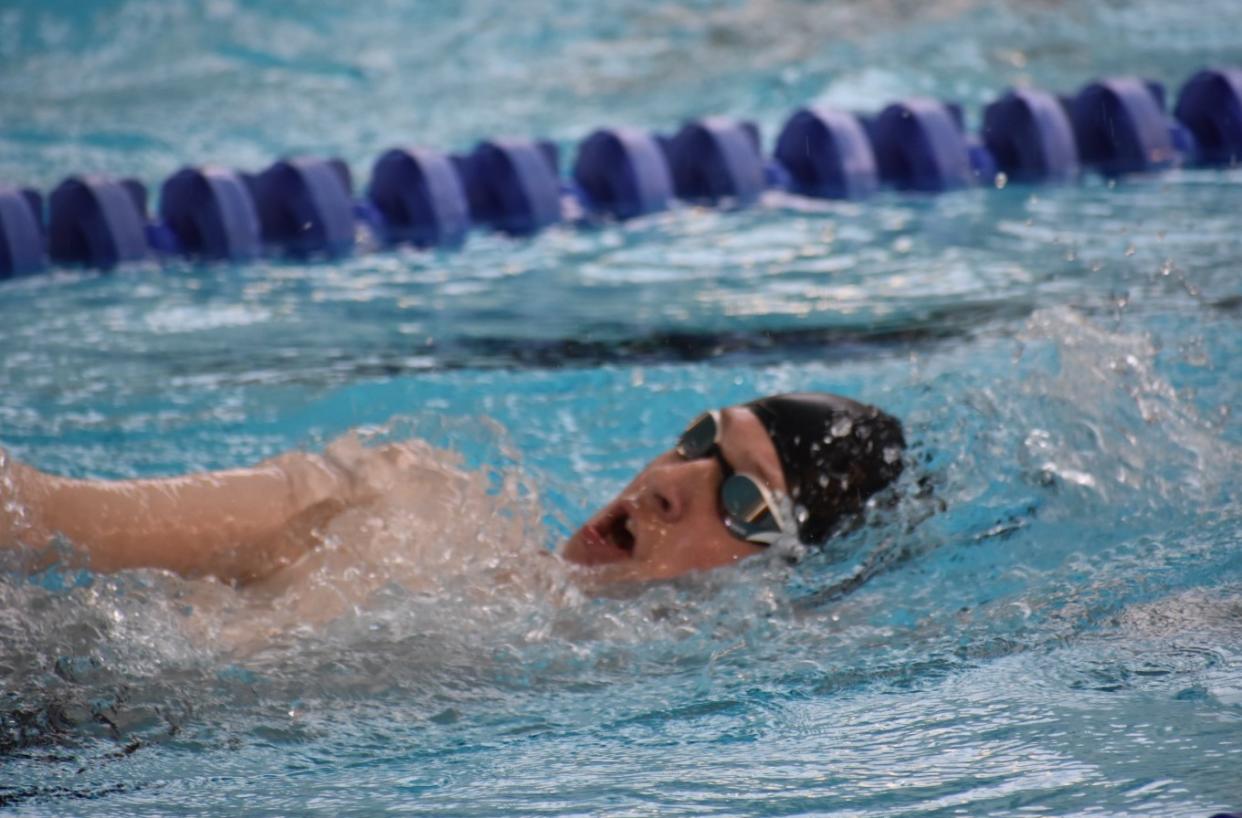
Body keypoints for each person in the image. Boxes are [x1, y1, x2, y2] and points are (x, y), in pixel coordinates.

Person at [0, 393, 904, 587]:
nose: (668, 483)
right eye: (696, 441)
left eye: (742, 500)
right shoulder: (409, 509)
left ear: (783, 571)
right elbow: (34, 515)